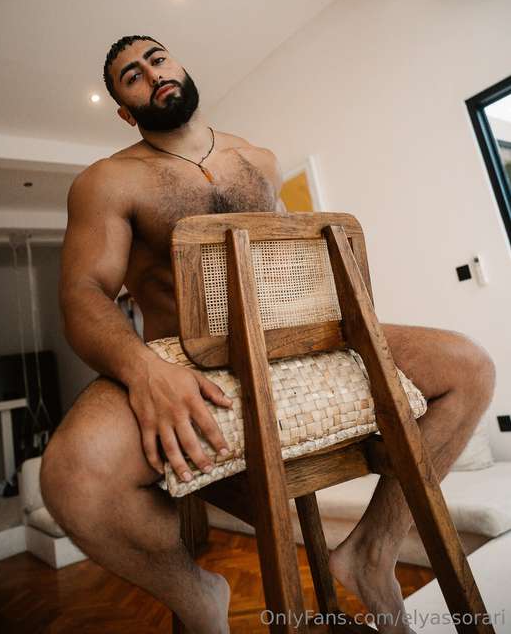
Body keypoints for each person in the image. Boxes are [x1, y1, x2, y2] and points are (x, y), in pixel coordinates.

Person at [41, 35, 495, 634]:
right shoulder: (107, 181)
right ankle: (198, 595)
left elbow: (284, 269)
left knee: (470, 369)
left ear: (180, 66)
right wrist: (146, 370)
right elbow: (82, 294)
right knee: (73, 479)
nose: (151, 74)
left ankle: (372, 551)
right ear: (126, 112)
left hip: (293, 343)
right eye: (132, 76)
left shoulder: (260, 159)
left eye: (157, 59)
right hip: (184, 362)